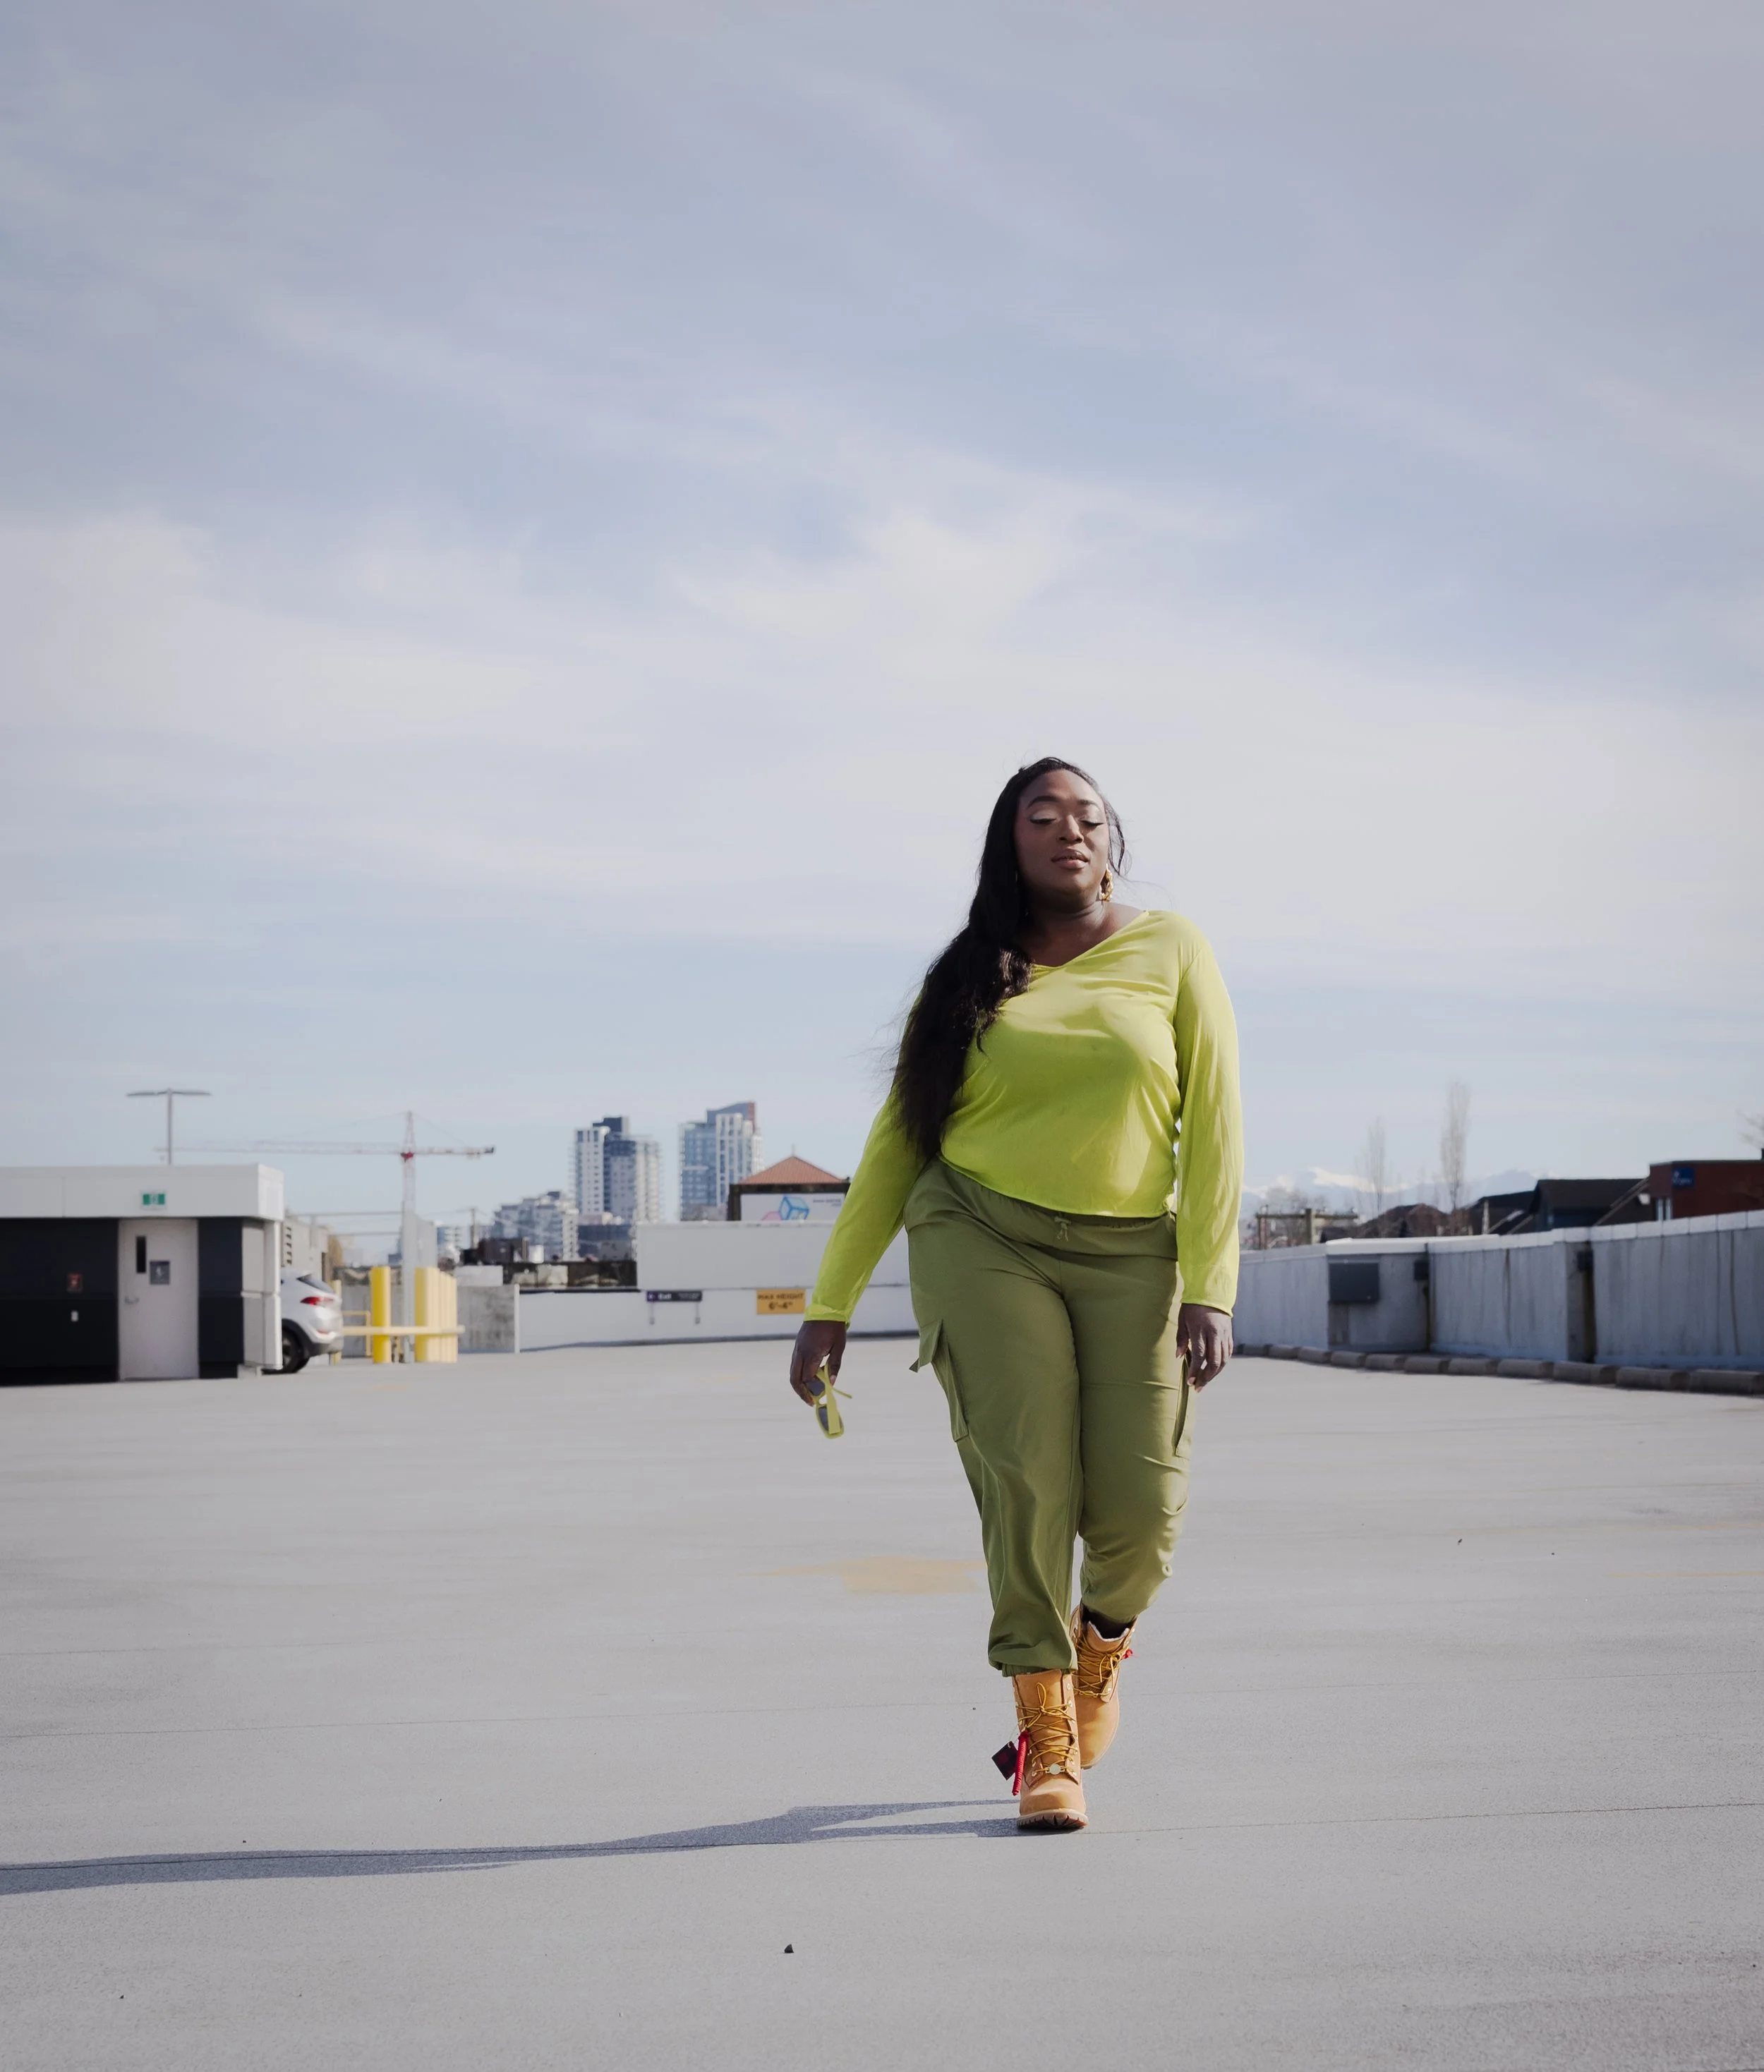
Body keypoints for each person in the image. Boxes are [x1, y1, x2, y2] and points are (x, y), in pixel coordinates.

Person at [788, 757, 1243, 1832]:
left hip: (1134, 1252)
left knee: (1142, 1513)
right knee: (1026, 1482)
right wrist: (829, 1304)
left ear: (1110, 841)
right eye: (1044, 816)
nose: (1070, 830)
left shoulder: (1172, 948)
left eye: (1088, 816)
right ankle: (1048, 1737)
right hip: (980, 1232)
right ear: (1011, 842)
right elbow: (898, 1145)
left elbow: (1218, 1122)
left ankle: (1100, 1651)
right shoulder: (966, 976)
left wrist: (1211, 1285)